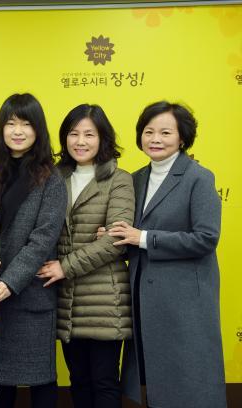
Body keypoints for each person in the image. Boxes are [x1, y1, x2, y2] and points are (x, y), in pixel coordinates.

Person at [107, 101, 226, 407]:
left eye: (165, 132)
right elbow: (132, 237)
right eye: (148, 132)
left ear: (182, 138)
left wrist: (143, 237)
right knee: (153, 382)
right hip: (144, 298)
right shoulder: (136, 178)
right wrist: (114, 236)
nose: (155, 139)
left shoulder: (199, 177)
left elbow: (206, 238)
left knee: (190, 380)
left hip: (184, 302)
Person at [36, 104, 134, 408]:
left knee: (104, 381)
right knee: (78, 380)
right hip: (65, 299)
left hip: (104, 298)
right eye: (73, 134)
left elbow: (116, 239)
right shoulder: (53, 177)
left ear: (103, 138)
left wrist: (64, 267)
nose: (80, 141)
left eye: (89, 134)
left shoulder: (119, 179)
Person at [0, 93, 66, 408]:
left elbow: (43, 238)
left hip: (29, 293)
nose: (17, 131)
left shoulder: (51, 178)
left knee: (40, 380)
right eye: (10, 123)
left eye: (26, 124)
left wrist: (11, 281)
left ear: (38, 130)